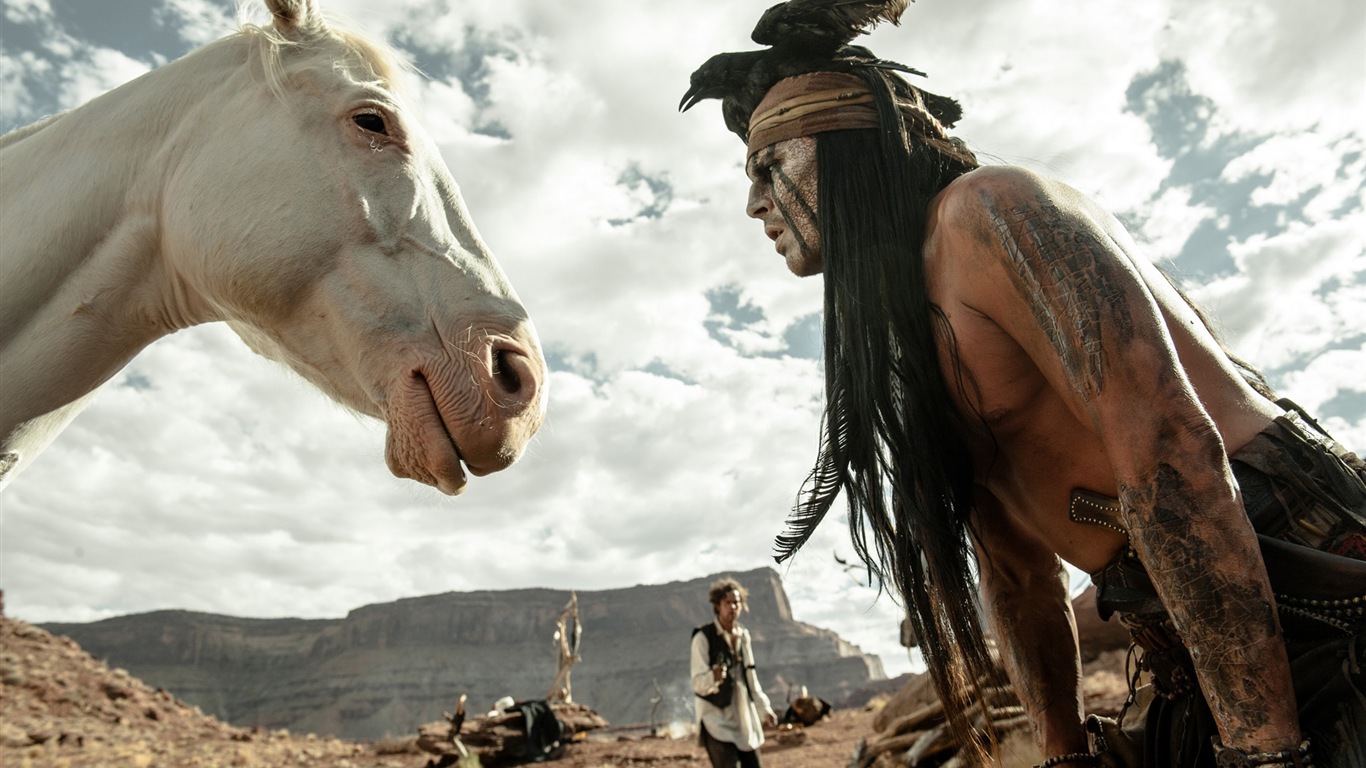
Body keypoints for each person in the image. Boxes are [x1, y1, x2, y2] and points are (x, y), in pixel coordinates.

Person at [679, 2, 1366, 767]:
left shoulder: (990, 213)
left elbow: (1173, 451)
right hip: (1171, 624)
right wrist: (1063, 754)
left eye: (770, 166)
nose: (754, 203)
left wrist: (1266, 754)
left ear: (848, 145)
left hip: (1297, 563)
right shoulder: (907, 343)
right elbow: (1016, 573)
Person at [691, 577, 779, 768]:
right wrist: (712, 677)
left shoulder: (743, 636)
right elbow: (697, 682)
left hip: (743, 716)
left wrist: (765, 709)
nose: (732, 607)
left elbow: (750, 677)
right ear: (718, 606)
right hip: (716, 720)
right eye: (727, 603)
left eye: (736, 602)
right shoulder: (703, 637)